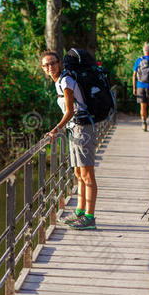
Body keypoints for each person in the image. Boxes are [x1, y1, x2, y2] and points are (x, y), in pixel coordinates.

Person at [41, 50, 97, 230]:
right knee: (79, 174)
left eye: (52, 63)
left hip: (82, 129)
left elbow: (70, 111)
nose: (50, 67)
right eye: (46, 65)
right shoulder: (59, 82)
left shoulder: (65, 81)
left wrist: (55, 130)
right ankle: (80, 212)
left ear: (59, 63)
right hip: (75, 129)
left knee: (87, 174)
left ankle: (89, 217)